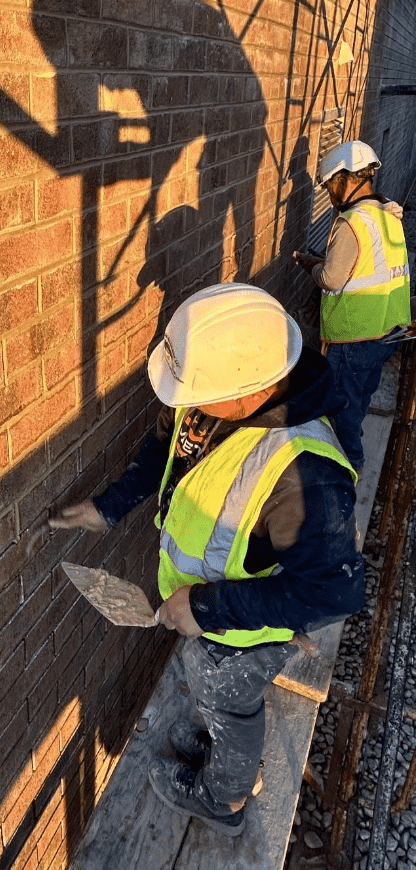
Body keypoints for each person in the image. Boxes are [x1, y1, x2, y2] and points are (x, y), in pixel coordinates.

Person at [51, 283, 364, 837]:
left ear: (252, 392)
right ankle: (227, 748)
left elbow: (334, 591)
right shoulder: (211, 404)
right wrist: (110, 506)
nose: (182, 406)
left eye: (195, 395)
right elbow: (167, 451)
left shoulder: (305, 474)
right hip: (212, 611)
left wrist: (205, 607)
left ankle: (226, 796)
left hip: (246, 629)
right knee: (212, 688)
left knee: (230, 700)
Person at [293, 140, 412, 473]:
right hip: (386, 333)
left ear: (345, 179)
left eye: (331, 185)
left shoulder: (351, 222)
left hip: (353, 338)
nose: (330, 194)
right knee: (357, 403)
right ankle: (349, 460)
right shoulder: (388, 215)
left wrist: (313, 267)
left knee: (341, 413)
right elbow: (369, 266)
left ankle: (347, 471)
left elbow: (332, 279)